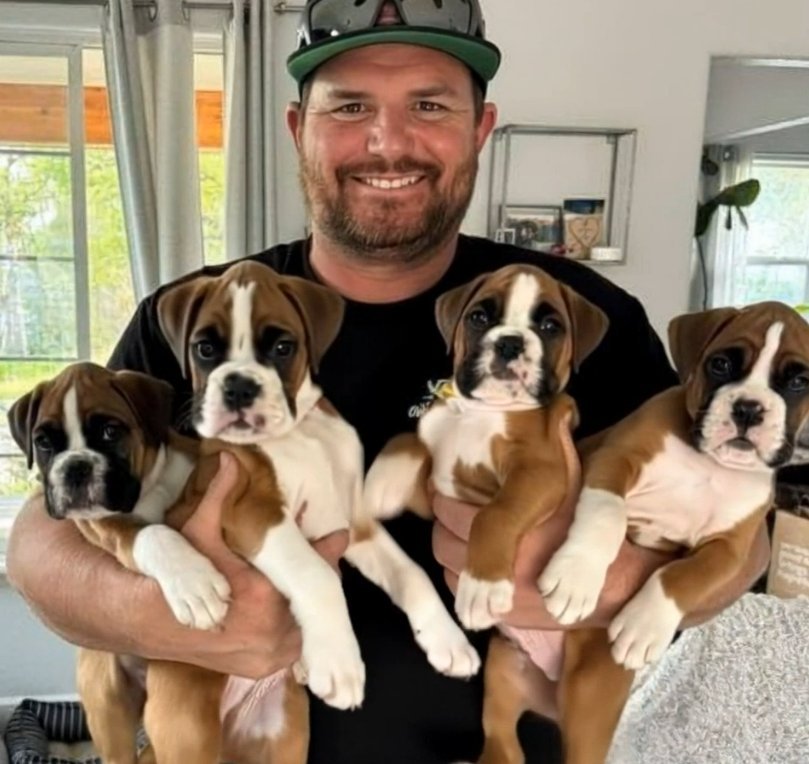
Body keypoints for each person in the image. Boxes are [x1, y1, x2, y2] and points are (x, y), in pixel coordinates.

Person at [7, 1, 769, 762]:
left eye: (429, 105)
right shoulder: (190, 317)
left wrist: (619, 580)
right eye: (349, 106)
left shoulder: (576, 314)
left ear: (480, 128)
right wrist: (165, 610)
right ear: (297, 128)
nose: (387, 140)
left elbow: (746, 537)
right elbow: (42, 544)